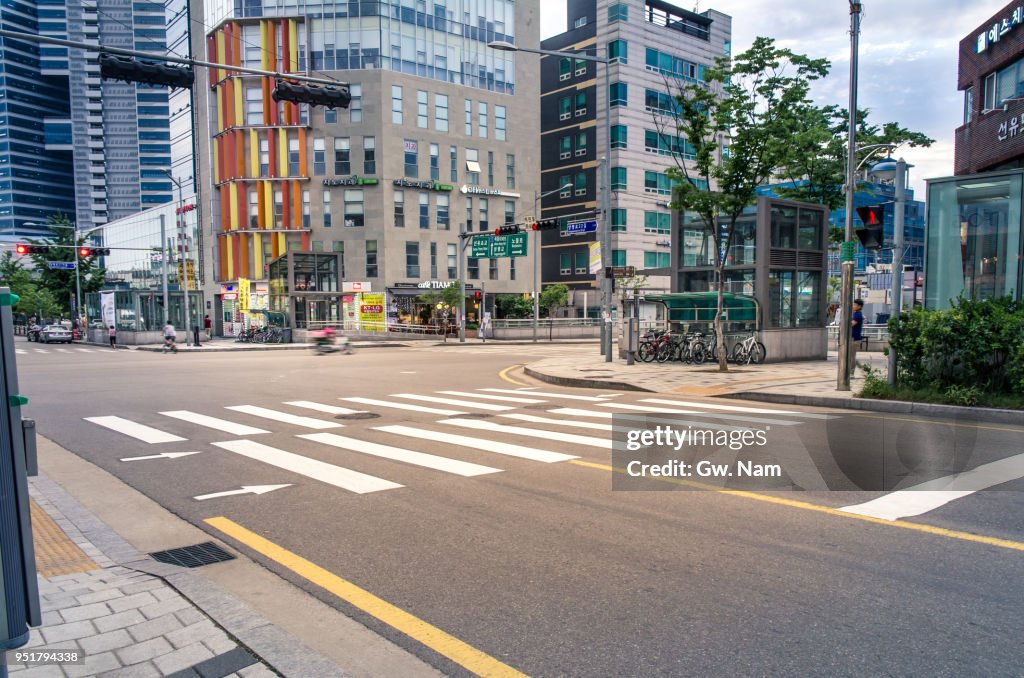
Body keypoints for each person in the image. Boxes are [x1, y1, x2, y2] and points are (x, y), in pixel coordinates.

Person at [851, 298, 865, 366]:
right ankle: (860, 367)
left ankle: (851, 372)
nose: (853, 306)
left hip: (855, 338)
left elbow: (851, 324)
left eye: (855, 304)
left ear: (859, 306)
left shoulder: (858, 315)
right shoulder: (856, 313)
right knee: (851, 356)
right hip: (853, 337)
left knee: (851, 357)